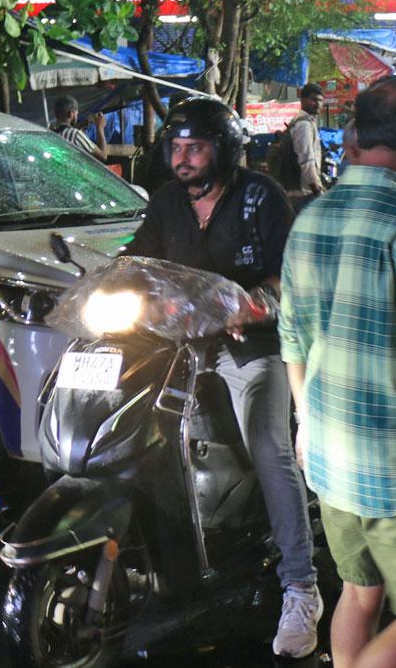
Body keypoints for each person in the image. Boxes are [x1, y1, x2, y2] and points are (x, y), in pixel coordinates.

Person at [280, 76, 396, 668]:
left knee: (360, 593)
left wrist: (308, 429)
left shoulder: (311, 218)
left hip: (332, 456)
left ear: (356, 133)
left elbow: (294, 339)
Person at [123, 97, 321, 659]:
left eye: (196, 147)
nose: (183, 159)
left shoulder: (261, 197)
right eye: (176, 148)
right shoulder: (164, 202)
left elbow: (289, 277)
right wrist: (109, 282)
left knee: (267, 446)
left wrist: (256, 304)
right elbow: (140, 262)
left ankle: (300, 586)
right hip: (181, 346)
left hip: (252, 347)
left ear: (224, 150)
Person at [282, 82, 326, 210]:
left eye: (320, 101)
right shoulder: (304, 125)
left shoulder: (306, 122)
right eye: (313, 100)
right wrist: (317, 190)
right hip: (304, 192)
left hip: (301, 191)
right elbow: (306, 161)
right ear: (303, 100)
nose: (318, 104)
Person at [51, 96, 107, 162]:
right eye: (76, 114)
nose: (77, 116)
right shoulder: (75, 134)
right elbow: (103, 157)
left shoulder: (50, 134)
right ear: (70, 114)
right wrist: (100, 127)